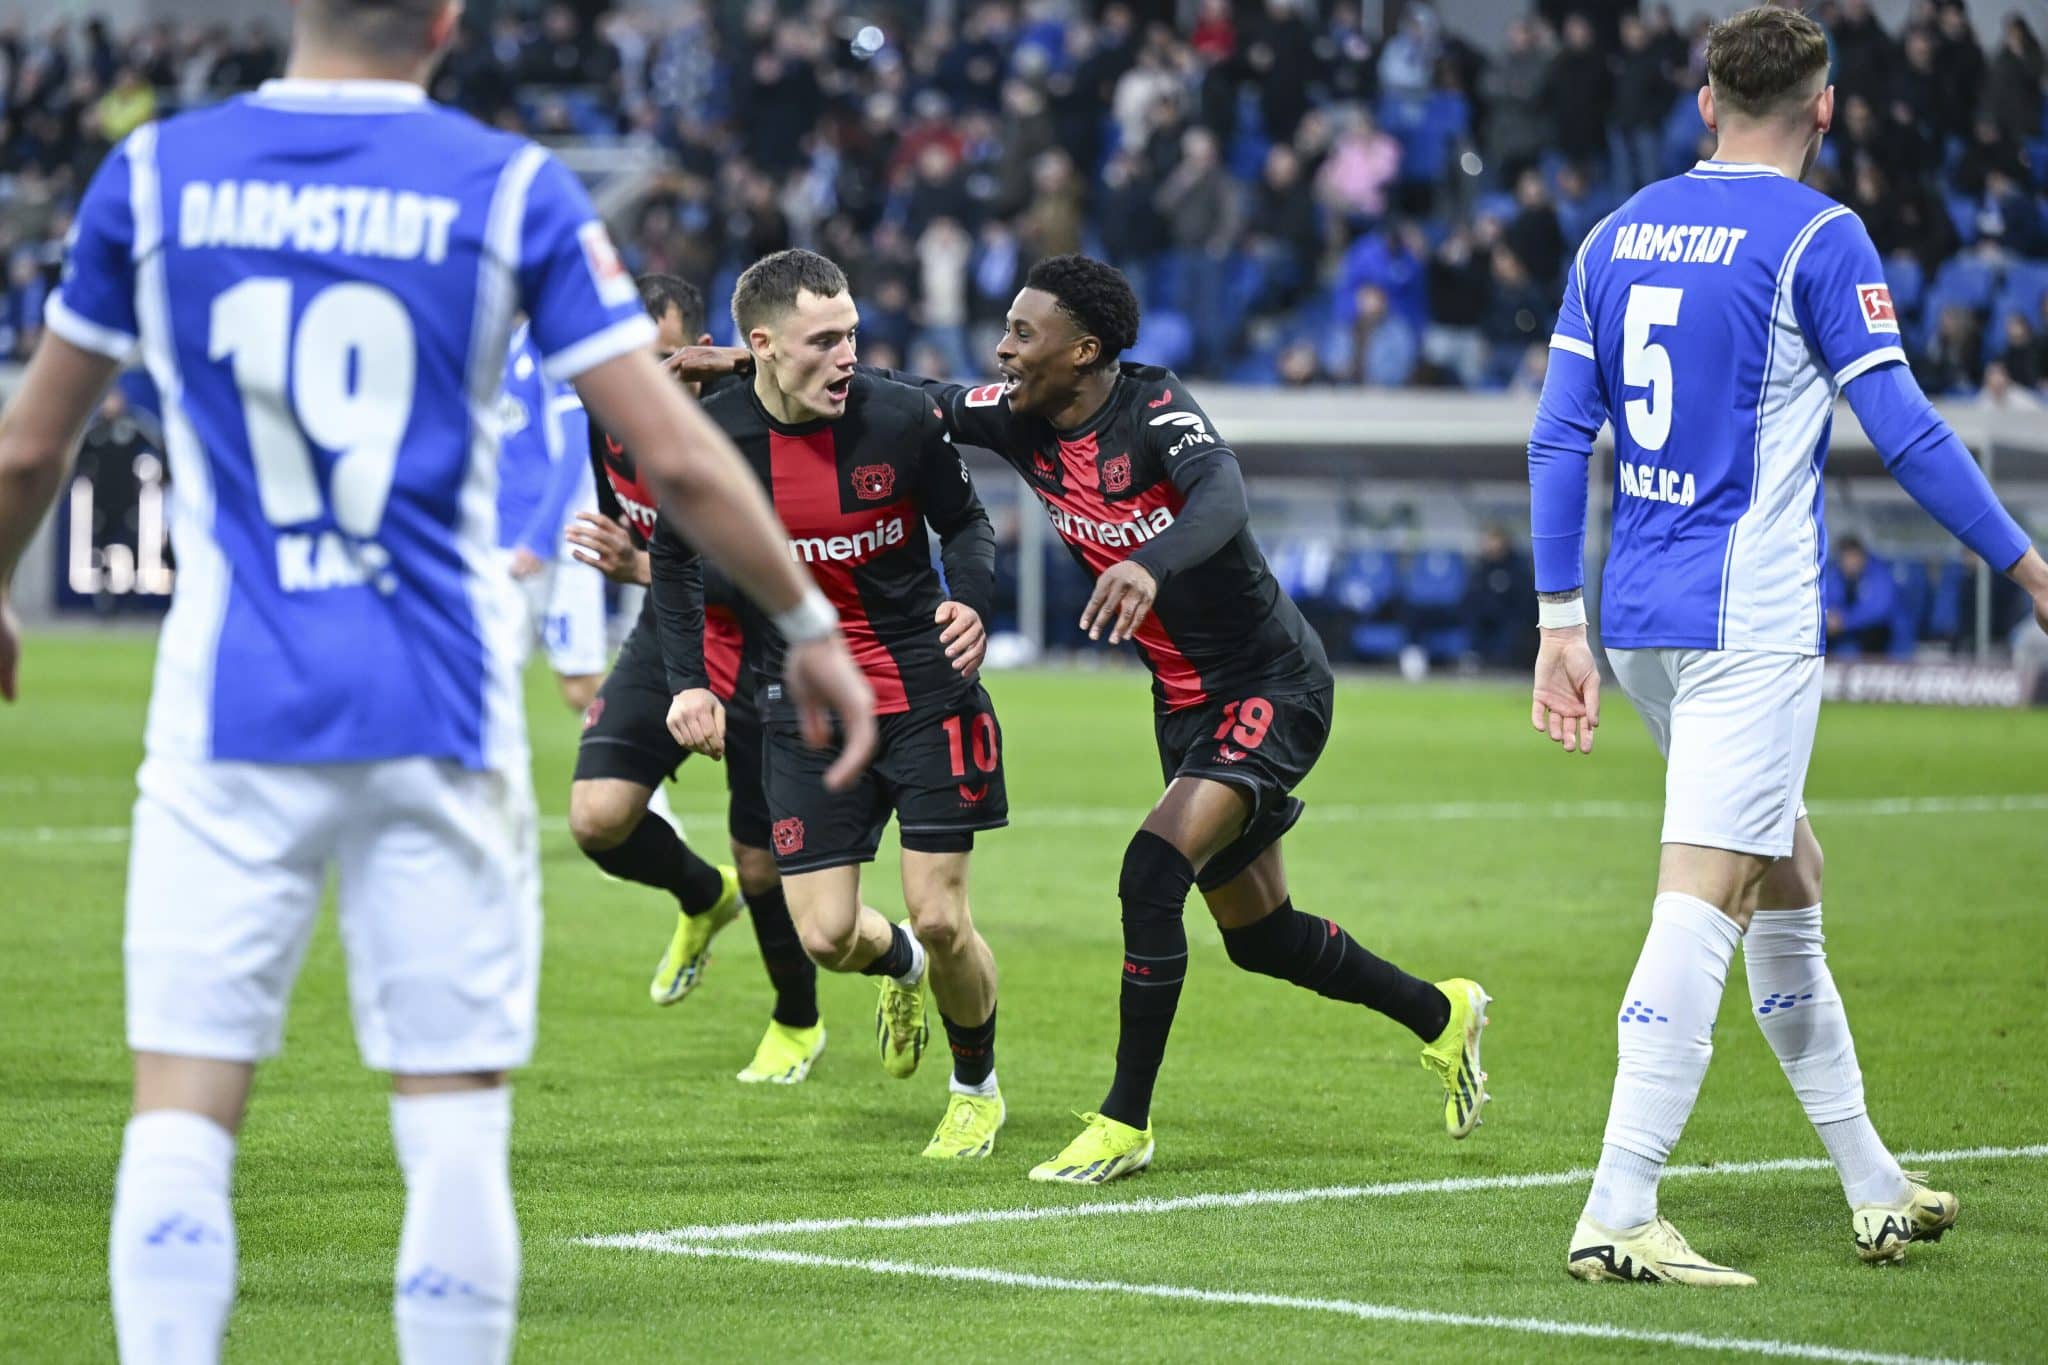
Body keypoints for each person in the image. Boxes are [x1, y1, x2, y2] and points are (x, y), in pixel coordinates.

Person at [0, 3, 876, 1362]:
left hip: (230, 710)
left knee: (181, 1111)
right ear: (448, 20)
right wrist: (809, 618)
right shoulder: (510, 186)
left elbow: (24, 453)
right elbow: (686, 457)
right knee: (453, 1120)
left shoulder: (155, 176)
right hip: (438, 706)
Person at [1527, 5, 2048, 1286]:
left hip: (1641, 617)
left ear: (1704, 101)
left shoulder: (1614, 230)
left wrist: (1556, 620)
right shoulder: (1819, 234)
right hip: (1746, 620)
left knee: (1789, 874)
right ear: (1825, 107)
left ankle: (1871, 1184)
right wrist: (2027, 565)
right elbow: (1909, 431)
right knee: (1707, 891)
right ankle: (1617, 1204)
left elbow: (1555, 438)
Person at [862, 254, 1489, 1182]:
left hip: (1270, 683)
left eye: (1023, 333)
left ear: (1084, 351)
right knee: (1260, 935)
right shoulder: (1018, 415)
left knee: (1150, 868)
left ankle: (1125, 1121)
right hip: (1185, 704)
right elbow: (915, 398)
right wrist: (764, 373)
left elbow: (1223, 495)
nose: (1002, 346)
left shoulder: (1155, 411)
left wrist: (1149, 561)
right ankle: (1445, 1014)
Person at [654, 249, 1011, 1158]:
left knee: (941, 909)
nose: (847, 355)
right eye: (824, 340)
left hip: (928, 688)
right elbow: (675, 560)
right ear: (763, 346)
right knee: (823, 937)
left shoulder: (901, 419)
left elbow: (967, 522)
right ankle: (901, 964)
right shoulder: (714, 440)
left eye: (853, 334)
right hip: (802, 708)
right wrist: (688, 678)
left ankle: (975, 1086)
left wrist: (969, 596)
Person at [563, 274, 824, 1083]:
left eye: (665, 359)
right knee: (598, 818)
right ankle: (700, 893)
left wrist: (642, 564)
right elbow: (656, 556)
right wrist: (634, 566)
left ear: (703, 355)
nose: (647, 379)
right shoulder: (605, 425)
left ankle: (796, 1018)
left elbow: (765, 568)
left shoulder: (741, 432)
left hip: (754, 642)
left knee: (763, 861)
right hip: (671, 631)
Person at [496, 319, 607, 714]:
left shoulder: (551, 343)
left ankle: (641, 770)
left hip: (560, 542)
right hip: (505, 542)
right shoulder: (500, 346)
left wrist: (539, 539)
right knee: (491, 675)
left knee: (580, 686)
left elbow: (576, 445)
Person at [1823, 536, 1897, 655]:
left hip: (1881, 635)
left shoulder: (1879, 574)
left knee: (1873, 634)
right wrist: (1828, 617)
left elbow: (1879, 611)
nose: (1849, 562)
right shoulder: (1836, 574)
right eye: (1845, 558)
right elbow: (1827, 601)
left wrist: (1844, 621)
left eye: (1853, 556)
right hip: (1847, 636)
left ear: (1862, 556)